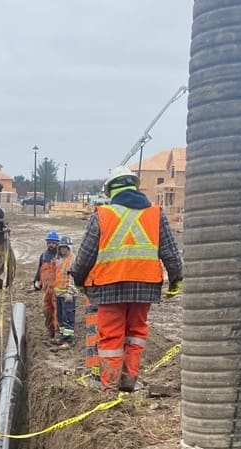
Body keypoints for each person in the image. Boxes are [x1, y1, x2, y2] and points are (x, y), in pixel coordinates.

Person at [71, 166, 183, 392]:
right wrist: (175, 279)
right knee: (136, 334)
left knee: (111, 336)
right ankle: (129, 380)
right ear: (135, 186)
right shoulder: (155, 213)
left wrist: (79, 280)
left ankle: (110, 386)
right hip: (145, 286)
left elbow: (85, 255)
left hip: (109, 286)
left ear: (111, 189)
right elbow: (171, 251)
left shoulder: (102, 214)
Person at [33, 231, 61, 338]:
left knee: (57, 311)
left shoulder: (60, 256)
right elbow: (39, 269)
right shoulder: (43, 256)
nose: (51, 245)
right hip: (46, 290)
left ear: (57, 243)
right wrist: (36, 281)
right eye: (49, 243)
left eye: (53, 243)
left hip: (57, 289)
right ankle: (50, 331)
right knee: (47, 311)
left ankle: (58, 331)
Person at [54, 235, 77, 347]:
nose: (63, 250)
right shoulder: (59, 259)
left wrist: (70, 292)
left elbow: (74, 278)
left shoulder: (73, 260)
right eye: (61, 247)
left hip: (67, 294)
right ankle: (63, 337)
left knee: (68, 317)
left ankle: (68, 340)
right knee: (61, 317)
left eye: (65, 247)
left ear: (69, 248)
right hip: (59, 293)